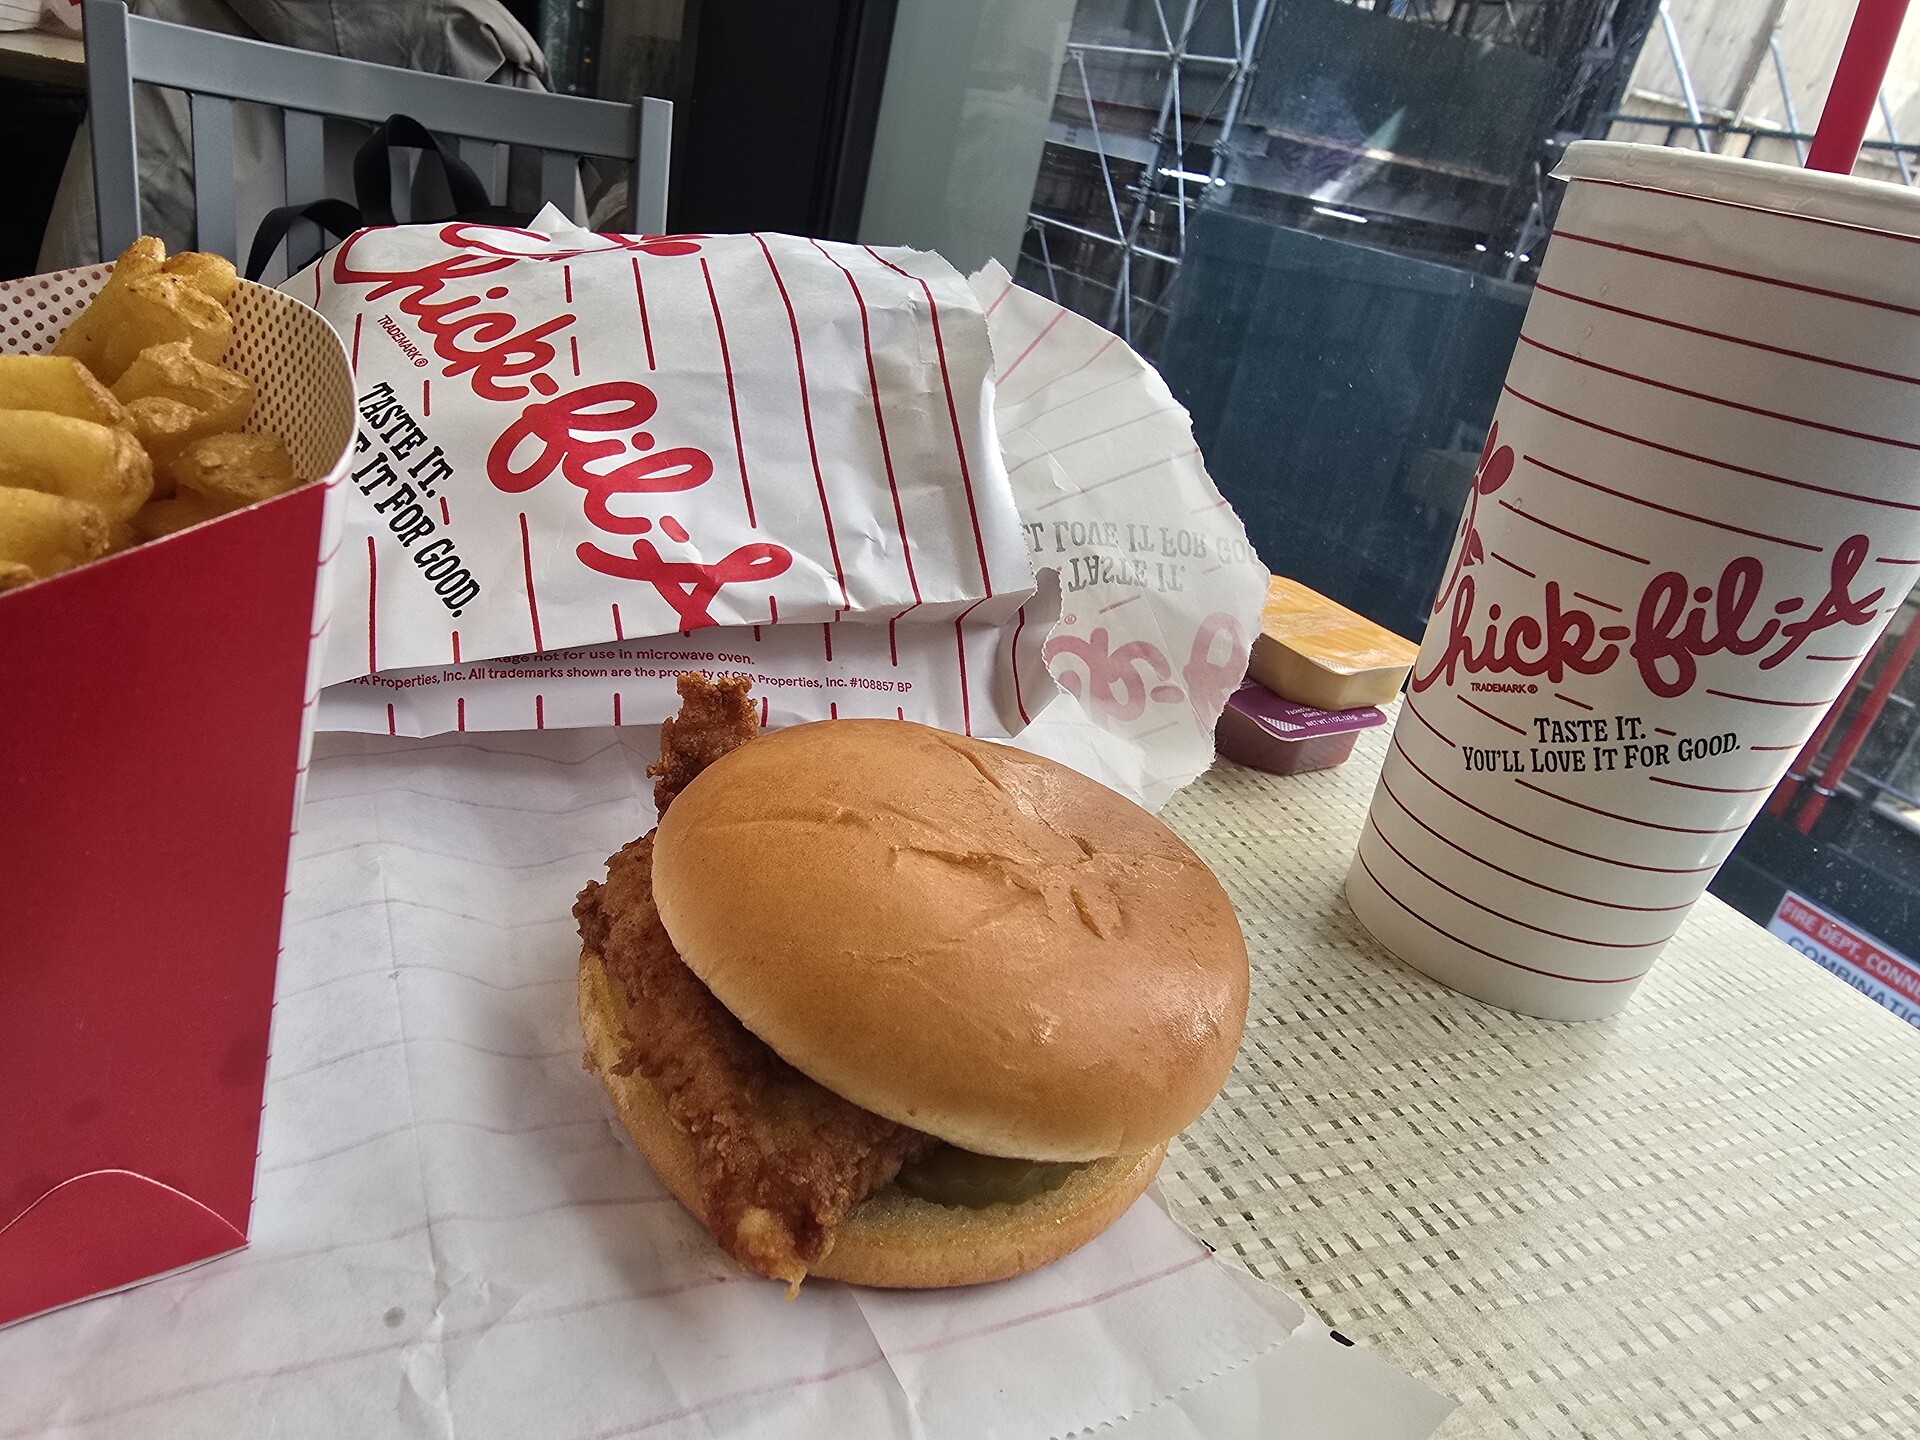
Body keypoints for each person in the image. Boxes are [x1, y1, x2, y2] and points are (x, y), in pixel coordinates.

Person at [37, 0, 562, 278]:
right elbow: (562, 272)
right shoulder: (506, 60)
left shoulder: (168, 21)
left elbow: (85, 286)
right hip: (459, 399)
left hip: (231, 377)